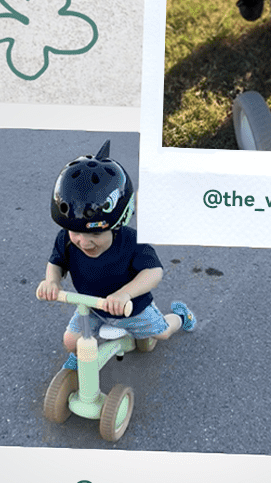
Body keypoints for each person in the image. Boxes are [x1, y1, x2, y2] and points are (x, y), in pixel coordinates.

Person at [36, 141, 195, 355]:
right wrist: (52, 281)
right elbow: (56, 262)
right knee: (71, 342)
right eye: (76, 232)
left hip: (132, 309)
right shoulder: (65, 238)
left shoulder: (130, 242)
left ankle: (181, 316)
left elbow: (154, 272)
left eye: (95, 233)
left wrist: (124, 295)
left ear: (117, 223)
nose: (84, 242)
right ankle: (83, 366)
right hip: (91, 309)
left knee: (162, 332)